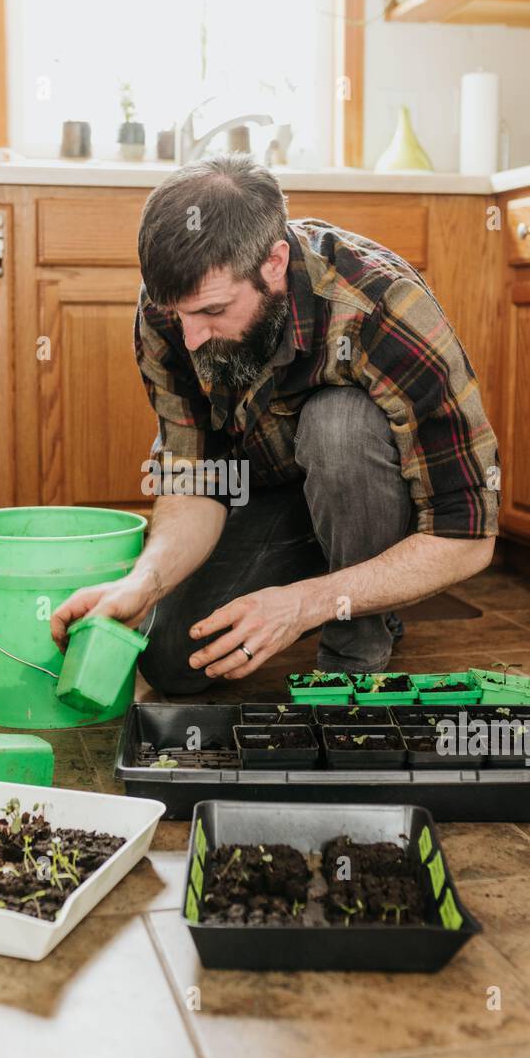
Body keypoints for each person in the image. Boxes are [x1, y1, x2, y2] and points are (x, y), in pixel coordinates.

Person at [51, 154, 499, 692]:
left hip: (368, 491)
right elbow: (198, 477)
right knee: (172, 660)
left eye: (214, 312)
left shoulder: (381, 308)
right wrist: (144, 582)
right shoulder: (172, 307)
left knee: (338, 426)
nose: (190, 338)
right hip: (265, 496)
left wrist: (305, 603)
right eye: (182, 316)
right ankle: (342, 578)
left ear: (274, 263)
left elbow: (467, 533)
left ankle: (357, 641)